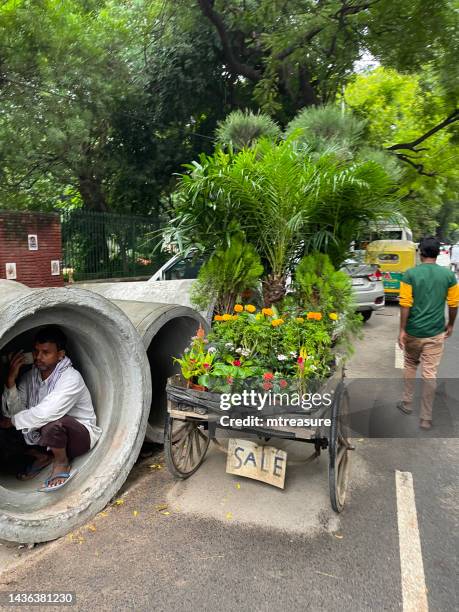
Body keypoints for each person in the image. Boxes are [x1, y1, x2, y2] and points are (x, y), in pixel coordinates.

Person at [0, 326, 101, 491]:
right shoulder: (30, 377)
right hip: (45, 436)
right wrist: (11, 381)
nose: (38, 357)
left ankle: (61, 463)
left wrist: (12, 421)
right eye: (36, 351)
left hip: (77, 438)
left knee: (52, 422)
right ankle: (42, 457)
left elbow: (46, 414)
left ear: (60, 355)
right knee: (7, 429)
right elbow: (15, 414)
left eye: (46, 353)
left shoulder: (70, 378)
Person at [397, 236, 459, 429]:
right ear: (438, 253)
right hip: (435, 332)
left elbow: (405, 305)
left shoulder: (410, 274)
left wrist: (402, 330)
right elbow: (454, 303)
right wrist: (450, 325)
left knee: (409, 364)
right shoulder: (449, 276)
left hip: (414, 332)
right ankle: (426, 417)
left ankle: (407, 403)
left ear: (420, 252)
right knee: (429, 373)